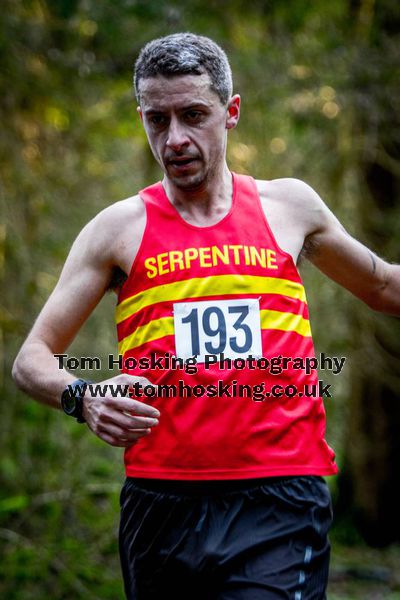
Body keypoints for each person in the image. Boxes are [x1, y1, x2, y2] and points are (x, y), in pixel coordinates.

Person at [12, 32, 399, 600]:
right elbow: (31, 359)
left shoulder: (289, 208)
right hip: (160, 504)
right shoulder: (116, 230)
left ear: (231, 112)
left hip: (279, 498)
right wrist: (83, 397)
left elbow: (385, 285)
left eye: (194, 115)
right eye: (157, 119)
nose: (175, 139)